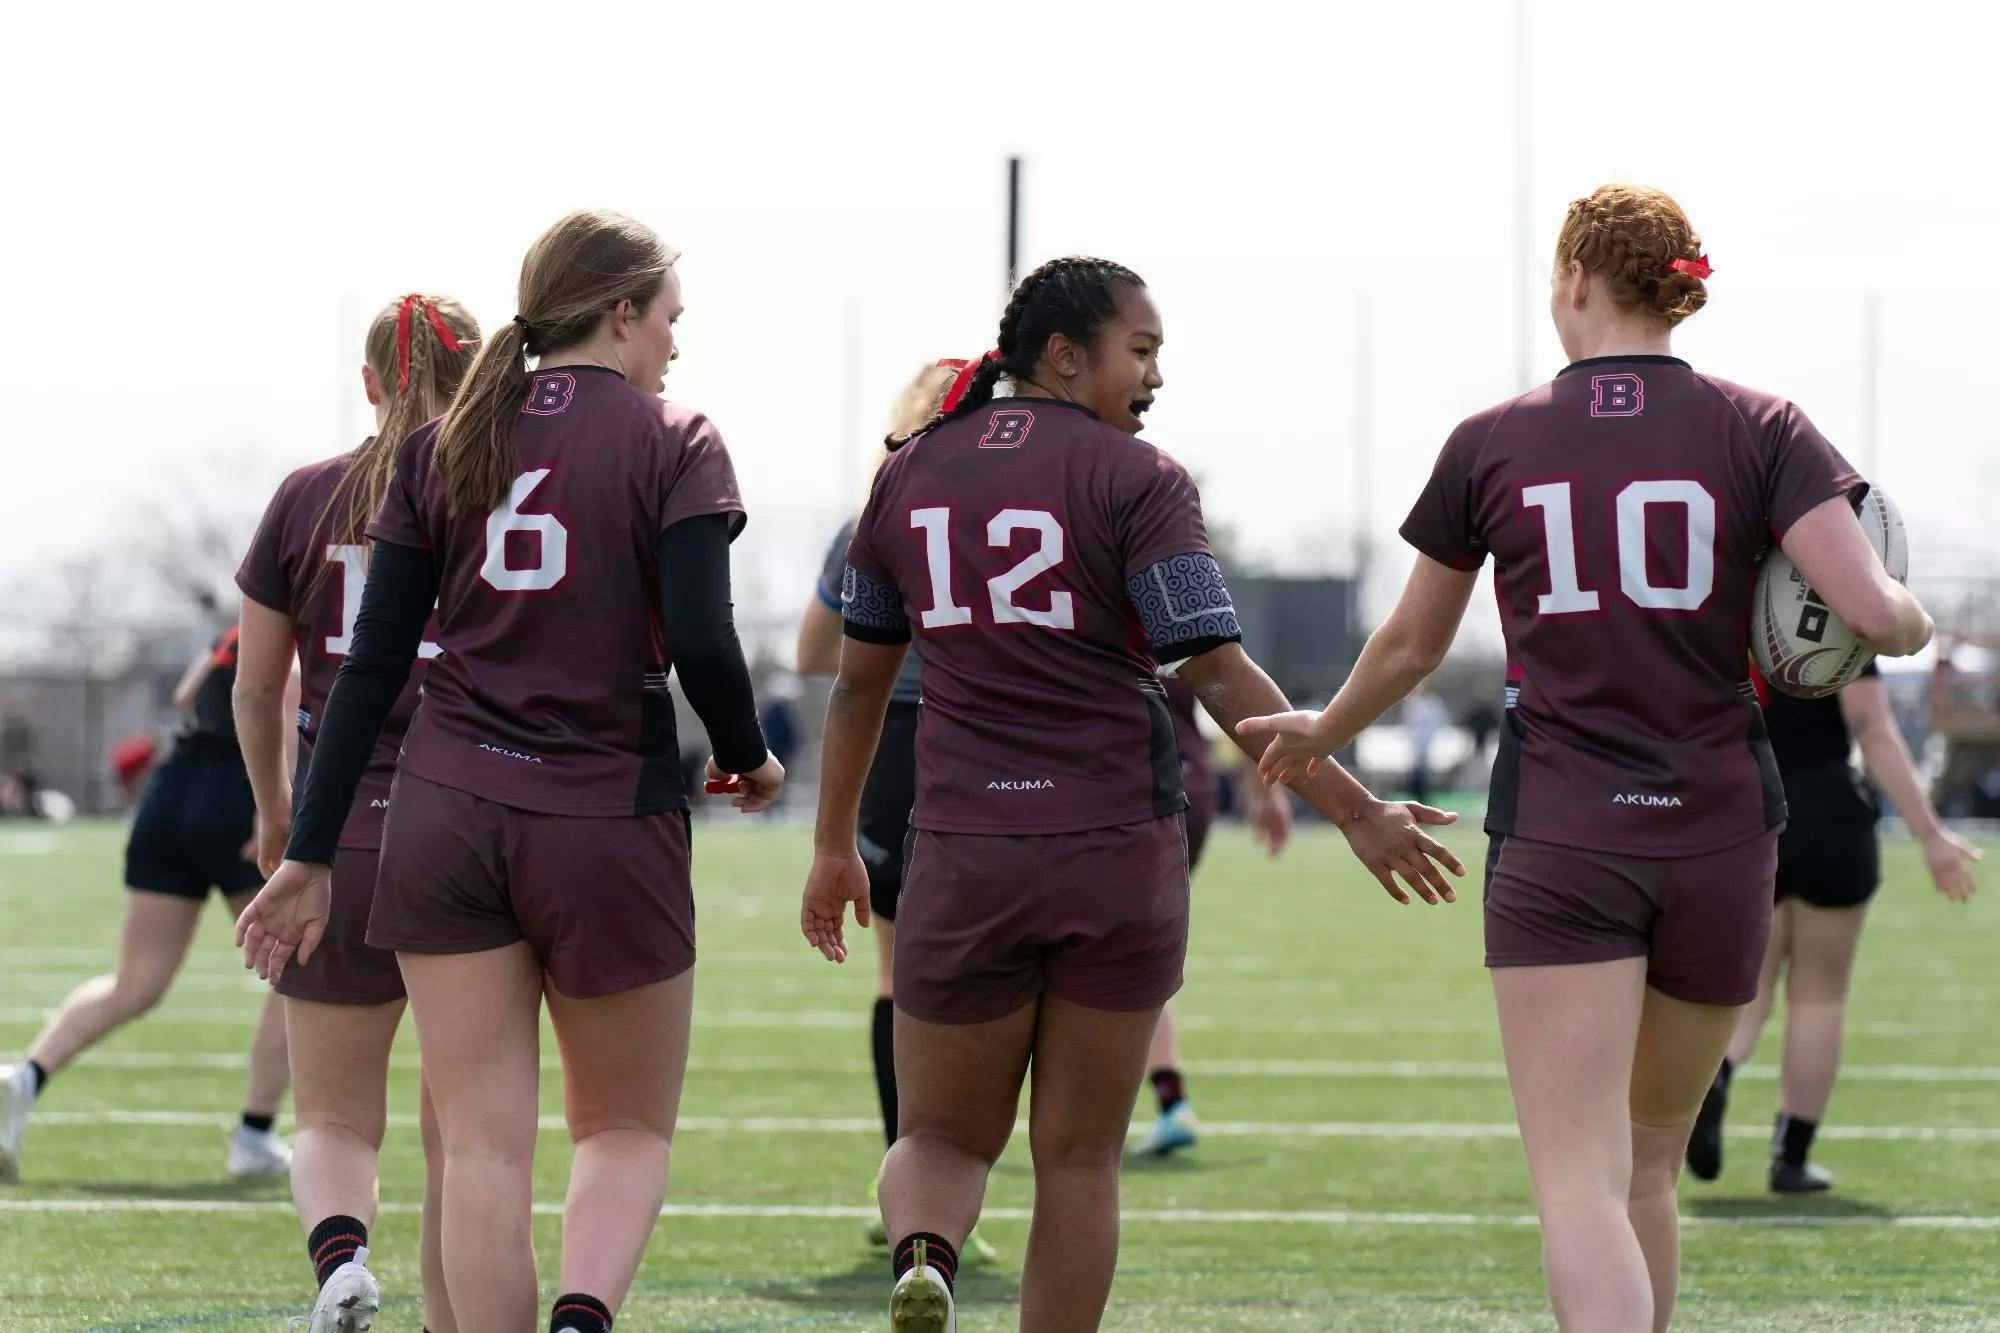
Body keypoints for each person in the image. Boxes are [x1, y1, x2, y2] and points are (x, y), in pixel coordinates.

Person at [1239, 185, 1933, 1332]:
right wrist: (1905, 620)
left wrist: (1323, 732)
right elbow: (1867, 605)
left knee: (1577, 1184)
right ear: (1676, 287)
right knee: (1648, 1167)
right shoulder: (1762, 425)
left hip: (1564, 833)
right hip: (1718, 830)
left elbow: (1412, 642)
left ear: (1570, 280)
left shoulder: (1491, 438)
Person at [800, 255, 1464, 1333]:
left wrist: (833, 845)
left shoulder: (906, 474)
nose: (1154, 376)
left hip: (964, 849)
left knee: (937, 1137)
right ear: (1065, 355)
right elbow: (1212, 668)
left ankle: (926, 1250)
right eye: (1141, 350)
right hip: (1111, 849)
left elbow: (857, 684)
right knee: (1077, 1159)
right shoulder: (1137, 477)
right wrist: (1358, 809)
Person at [238, 209, 783, 1333]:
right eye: (668, 317)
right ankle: (580, 1320)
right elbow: (703, 636)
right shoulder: (672, 434)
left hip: (444, 810)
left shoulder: (447, 443)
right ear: (620, 311)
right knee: (621, 1130)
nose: (675, 345)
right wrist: (746, 755)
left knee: (478, 1146)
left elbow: (367, 666)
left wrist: (305, 849)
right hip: (602, 809)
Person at [233, 292, 480, 1331]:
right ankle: (457, 1313)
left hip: (344, 831)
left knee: (333, 1114)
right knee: (467, 1134)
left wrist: (278, 815)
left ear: (371, 380)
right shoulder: (505, 491)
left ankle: (340, 1260)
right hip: (472, 825)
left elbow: (255, 688)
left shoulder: (306, 496)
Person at [794, 361, 998, 1261]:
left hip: (891, 745)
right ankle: (956, 1199)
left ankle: (908, 1190)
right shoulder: (1032, 498)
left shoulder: (875, 511)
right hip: (992, 742)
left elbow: (812, 653)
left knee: (900, 977)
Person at [0, 627, 294, 1184]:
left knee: (134, 983)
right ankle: (254, 1135)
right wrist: (276, 805)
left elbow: (186, 696)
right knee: (295, 971)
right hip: (240, 791)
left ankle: (27, 1077)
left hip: (171, 788)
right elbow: (284, 697)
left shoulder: (238, 626)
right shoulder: (307, 614)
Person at [1687, 661, 1979, 1191]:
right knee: (1819, 998)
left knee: (1748, 995)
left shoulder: (1727, 603)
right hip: (1830, 812)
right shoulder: (1842, 608)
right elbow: (1874, 729)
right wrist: (1931, 836)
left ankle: (1718, 1075)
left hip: (1746, 810)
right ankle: (1790, 1158)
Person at [1128, 675, 1292, 1158]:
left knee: (1109, 947)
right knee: (1141, 946)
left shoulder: (1093, 604)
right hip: (1188, 785)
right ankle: (1170, 1101)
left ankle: (1103, 1108)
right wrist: (1265, 791)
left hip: (1128, 789)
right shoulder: (1175, 604)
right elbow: (1231, 688)